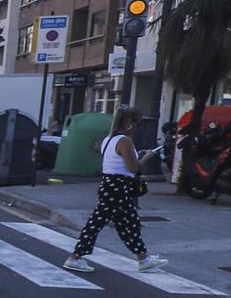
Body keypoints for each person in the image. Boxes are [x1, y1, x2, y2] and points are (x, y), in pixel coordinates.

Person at [63, 108, 168, 273]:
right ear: (129, 123)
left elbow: (118, 160)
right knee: (97, 222)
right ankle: (75, 257)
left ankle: (144, 259)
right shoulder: (125, 141)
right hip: (118, 187)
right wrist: (146, 157)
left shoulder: (109, 139)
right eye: (137, 124)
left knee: (131, 223)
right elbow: (133, 167)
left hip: (112, 185)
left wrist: (137, 154)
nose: (137, 127)